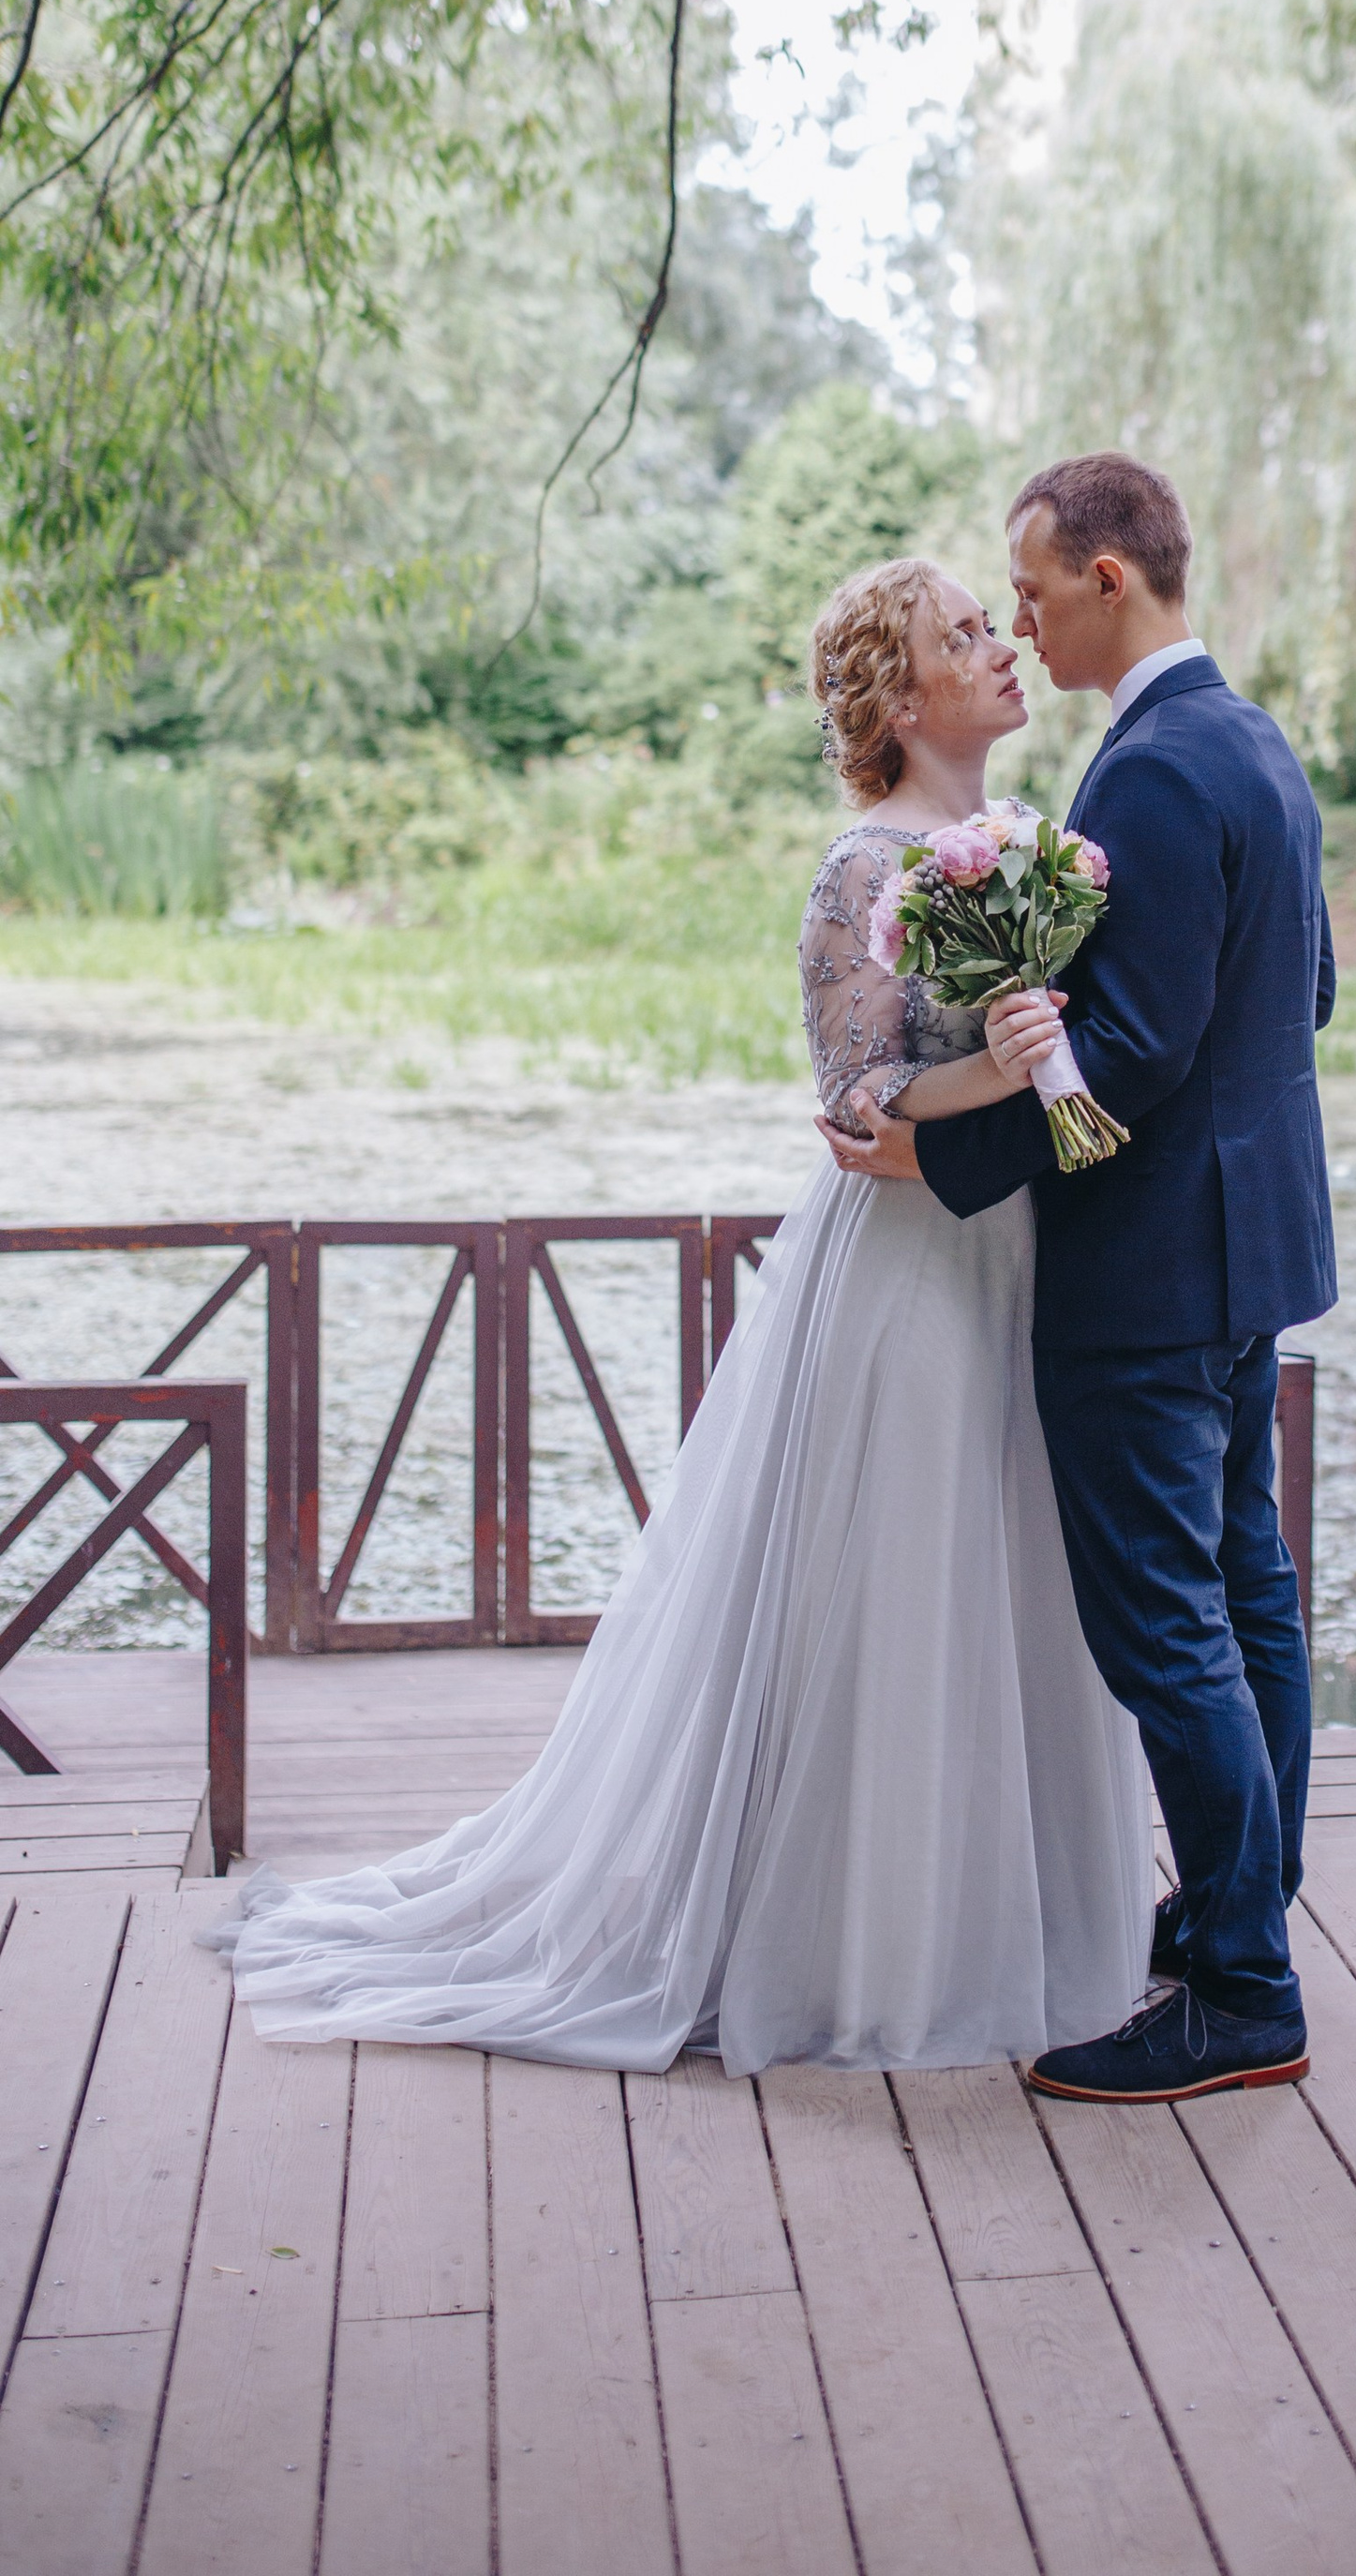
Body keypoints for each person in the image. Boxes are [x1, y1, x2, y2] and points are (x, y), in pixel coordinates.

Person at [204, 559, 1152, 2073]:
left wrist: (1048, 1058)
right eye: (964, 636)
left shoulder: (1040, 845)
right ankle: (870, 1955)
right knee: (905, 1585)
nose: (1000, 647)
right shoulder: (863, 869)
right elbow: (856, 1091)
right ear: (902, 700)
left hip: (1028, 1257)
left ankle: (1015, 1932)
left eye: (993, 624)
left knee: (1021, 1580)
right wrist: (1003, 1060)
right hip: (907, 1267)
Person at [821, 452, 1336, 2106]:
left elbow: (1135, 1045)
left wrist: (938, 1161)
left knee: (1170, 1627)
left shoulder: (1156, 772)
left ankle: (1242, 1992)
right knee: (1245, 1594)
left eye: (1035, 593)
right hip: (1248, 1253)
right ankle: (1238, 1917)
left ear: (1111, 579)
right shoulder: (1251, 742)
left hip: (1151, 1272)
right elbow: (1305, 994)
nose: (1025, 626)